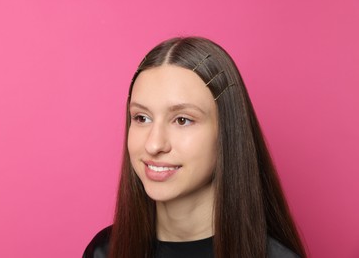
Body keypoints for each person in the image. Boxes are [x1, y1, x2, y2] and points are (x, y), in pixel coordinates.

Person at [83, 37, 307, 258]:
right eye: (142, 118)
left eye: (182, 120)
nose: (154, 144)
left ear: (227, 132)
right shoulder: (104, 252)